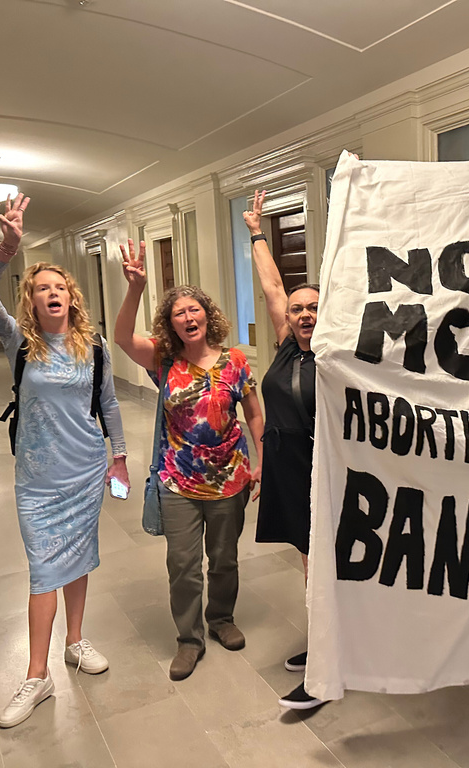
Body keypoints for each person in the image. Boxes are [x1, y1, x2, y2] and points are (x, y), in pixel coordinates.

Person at [0, 194, 129, 728]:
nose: (52, 292)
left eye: (59, 286)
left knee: (78, 560)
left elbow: (109, 405)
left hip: (85, 471)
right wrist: (6, 248)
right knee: (43, 572)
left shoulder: (94, 347)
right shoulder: (18, 340)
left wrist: (119, 458)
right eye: (42, 288)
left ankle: (76, 642)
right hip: (37, 481)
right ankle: (36, 675)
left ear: (71, 296)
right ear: (32, 300)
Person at [115, 246, 264, 681]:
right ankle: (189, 639)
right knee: (182, 565)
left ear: (206, 314)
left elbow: (254, 414)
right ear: (171, 323)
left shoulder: (235, 360)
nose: (187, 317)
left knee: (224, 559)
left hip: (230, 479)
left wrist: (263, 461)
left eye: (193, 309)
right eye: (178, 313)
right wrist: (136, 288)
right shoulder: (163, 360)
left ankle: (221, 619)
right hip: (178, 481)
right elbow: (122, 337)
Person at [242, 189, 324, 710]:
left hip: (321, 468)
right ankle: (328, 644)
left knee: (321, 565)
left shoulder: (338, 353)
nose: (304, 314)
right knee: (309, 560)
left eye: (314, 307)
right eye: (298, 309)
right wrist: (256, 231)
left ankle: (327, 664)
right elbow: (272, 285)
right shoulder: (287, 344)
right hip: (287, 468)